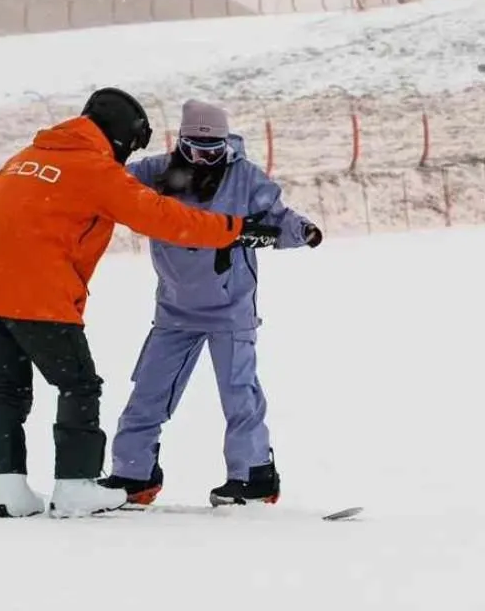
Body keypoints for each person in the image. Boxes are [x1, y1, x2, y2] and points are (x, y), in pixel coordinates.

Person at [0, 87, 282, 519]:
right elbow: (164, 217)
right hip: (38, 297)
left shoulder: (23, 160)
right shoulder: (95, 170)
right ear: (123, 135)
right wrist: (234, 228)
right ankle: (75, 486)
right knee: (79, 386)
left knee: (8, 390)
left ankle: (8, 490)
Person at [98, 100, 323, 508]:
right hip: (174, 310)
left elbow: (277, 215)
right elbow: (110, 187)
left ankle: (252, 477)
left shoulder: (245, 177)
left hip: (229, 309)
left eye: (214, 151)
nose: (204, 158)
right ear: (180, 142)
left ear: (227, 146)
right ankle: (133, 473)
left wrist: (302, 231)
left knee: (239, 394)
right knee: (149, 391)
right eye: (195, 150)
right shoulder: (156, 172)